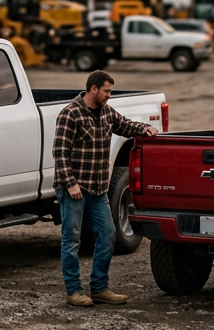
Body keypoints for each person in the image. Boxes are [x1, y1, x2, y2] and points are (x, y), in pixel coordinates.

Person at [52, 70, 157, 307]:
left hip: (98, 190)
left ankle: (99, 287)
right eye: (107, 91)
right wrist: (71, 184)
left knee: (108, 235)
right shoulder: (70, 114)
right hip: (74, 190)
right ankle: (74, 291)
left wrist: (144, 129)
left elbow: (125, 125)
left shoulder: (107, 112)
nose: (109, 95)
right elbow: (60, 152)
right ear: (93, 89)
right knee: (72, 241)